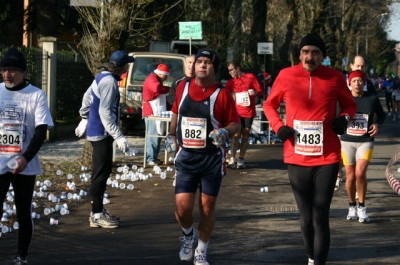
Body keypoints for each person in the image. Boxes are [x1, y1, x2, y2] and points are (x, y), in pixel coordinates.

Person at [263, 32, 357, 265]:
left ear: (322, 56)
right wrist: (279, 127)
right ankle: (312, 256)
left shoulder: (334, 77)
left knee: (320, 216)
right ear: (299, 54)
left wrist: (344, 118)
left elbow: (350, 104)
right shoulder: (286, 76)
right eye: (306, 52)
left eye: (315, 52)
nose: (310, 57)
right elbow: (269, 104)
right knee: (306, 219)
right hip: (296, 156)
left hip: (328, 156)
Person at [165, 48, 240, 265]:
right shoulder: (183, 87)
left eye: (207, 62)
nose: (202, 66)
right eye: (199, 62)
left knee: (207, 208)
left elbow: (235, 123)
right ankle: (189, 236)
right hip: (187, 156)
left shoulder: (222, 94)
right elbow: (176, 112)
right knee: (182, 208)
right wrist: (171, 135)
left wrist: (225, 131)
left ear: (214, 68)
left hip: (211, 159)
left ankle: (201, 249)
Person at [0, 48, 54, 265]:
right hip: (0, 162)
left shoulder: (36, 95)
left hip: (25, 163)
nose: (7, 74)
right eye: (4, 70)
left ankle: (21, 256)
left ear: (22, 71)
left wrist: (25, 157)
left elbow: (42, 131)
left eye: (12, 70)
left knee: (23, 210)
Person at [75, 50, 133, 228]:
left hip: (98, 130)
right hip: (102, 132)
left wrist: (84, 116)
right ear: (122, 67)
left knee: (103, 172)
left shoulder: (101, 77)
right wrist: (119, 136)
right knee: (99, 174)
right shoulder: (109, 83)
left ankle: (98, 211)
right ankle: (96, 215)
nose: (128, 67)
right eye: (127, 65)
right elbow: (105, 113)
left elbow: (87, 97)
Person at [342, 70, 386, 223]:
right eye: (354, 81)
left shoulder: (372, 98)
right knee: (350, 176)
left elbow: (382, 114)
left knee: (360, 173)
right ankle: (351, 206)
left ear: (364, 82)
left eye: (360, 81)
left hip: (365, 140)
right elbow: (335, 115)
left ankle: (361, 207)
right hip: (347, 141)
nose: (357, 84)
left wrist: (377, 124)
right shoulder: (344, 98)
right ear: (350, 83)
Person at [225, 60, 263, 169]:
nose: (230, 72)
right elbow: (225, 93)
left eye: (232, 70)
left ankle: (241, 159)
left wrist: (254, 92)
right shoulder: (231, 82)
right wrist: (231, 96)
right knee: (235, 135)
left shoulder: (250, 77)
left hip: (248, 111)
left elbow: (260, 91)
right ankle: (232, 158)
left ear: (238, 68)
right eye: (229, 71)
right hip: (236, 112)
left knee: (245, 135)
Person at [142, 63, 171, 165]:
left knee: (157, 135)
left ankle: (153, 157)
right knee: (153, 135)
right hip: (151, 112)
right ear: (162, 74)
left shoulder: (156, 79)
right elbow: (157, 89)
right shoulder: (152, 79)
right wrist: (170, 89)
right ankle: (150, 158)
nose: (166, 78)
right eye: (166, 76)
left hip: (156, 112)